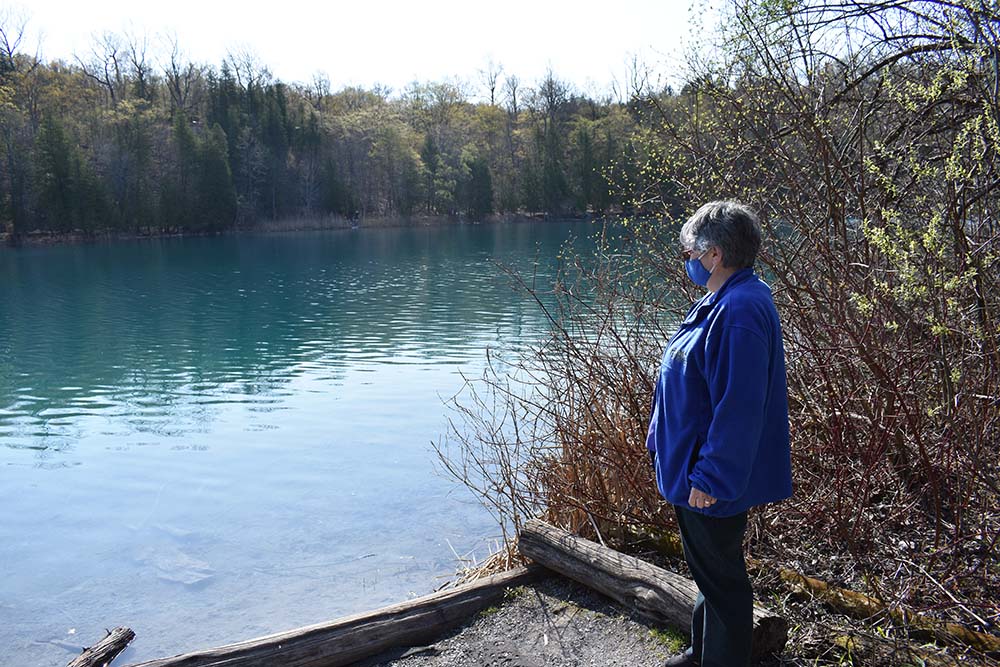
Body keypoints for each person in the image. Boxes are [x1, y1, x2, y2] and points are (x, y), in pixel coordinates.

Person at [646, 201, 793, 667]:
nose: (685, 260)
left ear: (713, 253)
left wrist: (712, 477)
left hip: (708, 479)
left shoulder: (740, 310)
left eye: (689, 251)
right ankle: (700, 652)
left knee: (723, 581)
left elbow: (740, 408)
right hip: (693, 467)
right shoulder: (725, 299)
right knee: (710, 573)